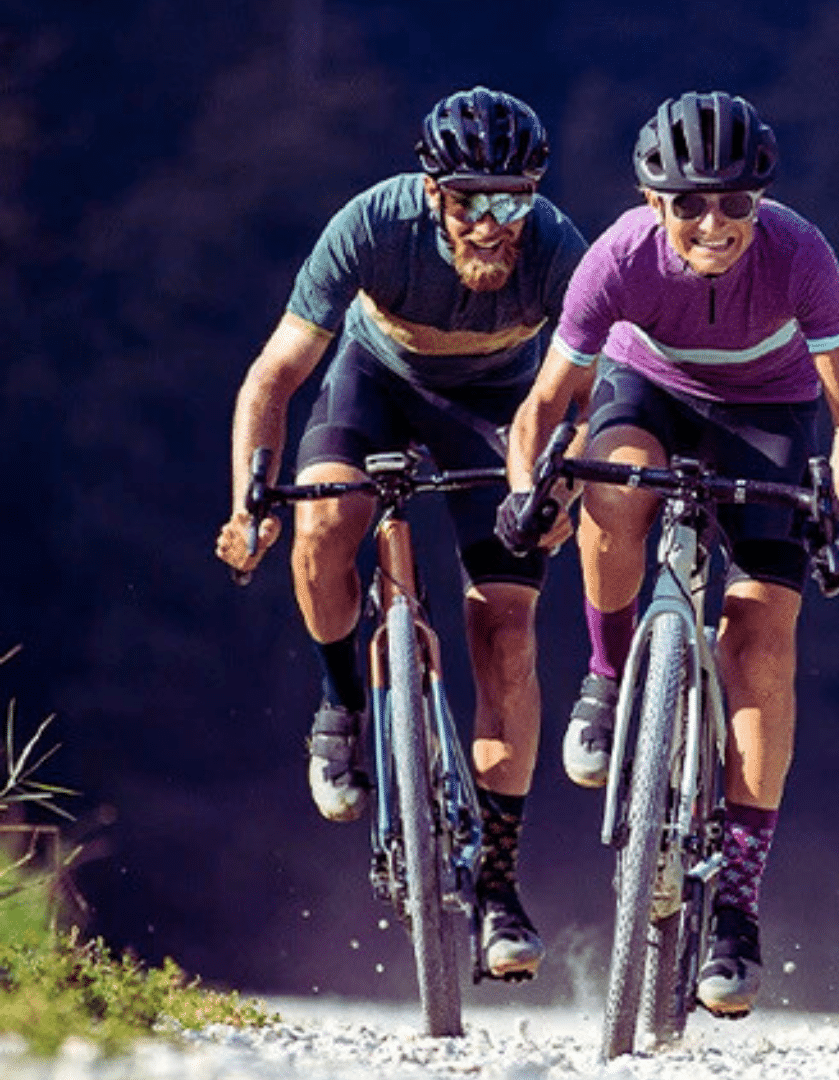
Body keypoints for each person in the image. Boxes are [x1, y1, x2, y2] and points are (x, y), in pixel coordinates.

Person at [499, 90, 839, 1018]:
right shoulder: (617, 258)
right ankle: (606, 672)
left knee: (764, 639)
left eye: (735, 203)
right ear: (650, 200)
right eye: (689, 204)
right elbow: (545, 409)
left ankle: (736, 907)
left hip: (767, 415)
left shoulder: (800, 254)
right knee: (613, 485)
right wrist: (520, 490)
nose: (714, 223)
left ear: (761, 200)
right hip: (650, 392)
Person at [215, 86, 588, 981]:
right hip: (372, 388)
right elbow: (273, 378)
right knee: (321, 523)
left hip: (502, 409)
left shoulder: (559, 251)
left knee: (505, 633)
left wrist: (561, 489)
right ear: (432, 193)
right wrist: (246, 502)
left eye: (513, 200)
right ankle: (341, 705)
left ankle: (498, 888)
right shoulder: (371, 225)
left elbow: (594, 393)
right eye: (472, 201)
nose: (494, 224)